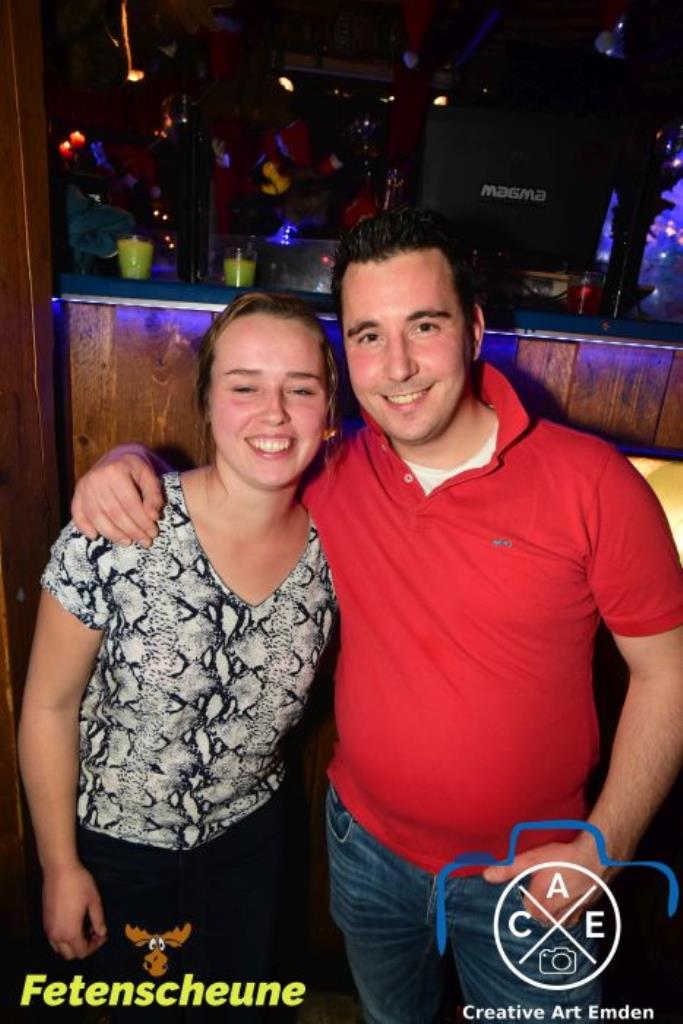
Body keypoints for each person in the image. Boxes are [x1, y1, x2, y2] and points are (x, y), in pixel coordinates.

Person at [69, 209, 683, 1021]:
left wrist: (604, 846)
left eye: (423, 325)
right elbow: (240, 463)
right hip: (365, 855)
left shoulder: (594, 484)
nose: (396, 366)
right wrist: (126, 461)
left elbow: (667, 673)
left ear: (473, 329)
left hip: (534, 876)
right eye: (367, 335)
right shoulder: (330, 468)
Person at [19, 292, 338, 1018]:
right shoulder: (119, 528)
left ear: (328, 411)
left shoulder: (339, 547)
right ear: (207, 401)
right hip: (112, 851)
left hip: (249, 847)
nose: (274, 413)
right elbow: (48, 705)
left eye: (300, 389)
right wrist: (59, 866)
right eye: (244, 386)